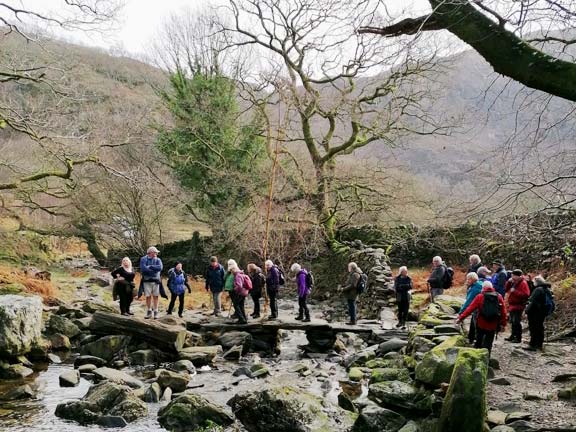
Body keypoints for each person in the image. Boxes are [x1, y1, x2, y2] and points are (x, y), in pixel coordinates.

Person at [457, 281, 507, 355]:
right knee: (489, 342)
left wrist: (461, 318)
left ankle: (477, 356)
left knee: (479, 340)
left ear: (483, 288)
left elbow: (470, 308)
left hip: (481, 323)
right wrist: (503, 323)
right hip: (493, 324)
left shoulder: (480, 296)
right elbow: (503, 311)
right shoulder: (498, 296)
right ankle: (486, 357)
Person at [525, 275, 552, 351]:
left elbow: (532, 302)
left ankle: (532, 345)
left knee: (533, 328)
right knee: (540, 328)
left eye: (534, 282)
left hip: (535, 312)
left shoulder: (538, 290)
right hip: (542, 312)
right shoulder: (547, 289)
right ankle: (539, 344)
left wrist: (527, 311)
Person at [504, 269, 531, 343]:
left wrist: (515, 291)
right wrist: (509, 282)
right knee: (512, 321)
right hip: (512, 304)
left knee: (516, 322)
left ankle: (518, 337)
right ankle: (512, 335)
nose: (512, 277)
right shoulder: (513, 282)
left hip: (518, 305)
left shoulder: (523, 283)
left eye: (513, 275)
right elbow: (506, 289)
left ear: (518, 276)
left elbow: (526, 295)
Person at [140, 246, 163, 319]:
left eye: (156, 252)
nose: (156, 253)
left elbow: (160, 268)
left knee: (156, 296)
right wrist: (154, 271)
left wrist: (150, 266)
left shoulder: (158, 259)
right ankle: (149, 311)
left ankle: (156, 311)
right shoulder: (143, 259)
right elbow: (143, 269)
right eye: (155, 252)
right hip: (146, 281)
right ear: (150, 253)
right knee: (148, 296)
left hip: (156, 281)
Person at [459, 272, 483, 344]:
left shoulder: (475, 288)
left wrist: (460, 313)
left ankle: (478, 343)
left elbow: (468, 302)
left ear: (473, 279)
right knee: (473, 324)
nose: (467, 281)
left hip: (477, 310)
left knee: (477, 326)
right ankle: (471, 338)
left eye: (468, 279)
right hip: (480, 309)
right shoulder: (479, 284)